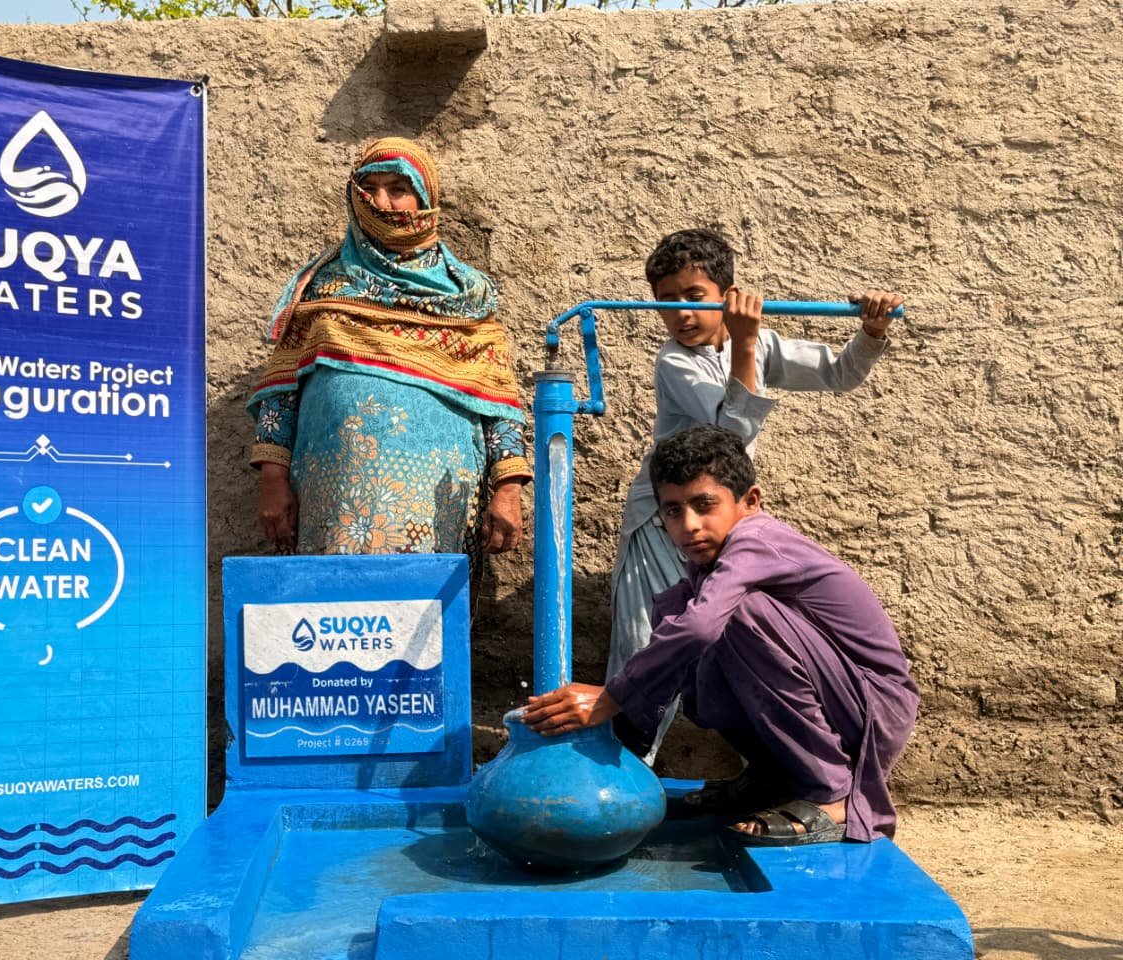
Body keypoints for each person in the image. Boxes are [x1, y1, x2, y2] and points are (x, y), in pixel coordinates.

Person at [525, 425, 919, 846]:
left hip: (871, 707)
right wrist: (623, 732)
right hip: (838, 701)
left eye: (704, 505)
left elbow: (701, 627)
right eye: (673, 511)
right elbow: (686, 636)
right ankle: (774, 777)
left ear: (749, 501)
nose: (689, 526)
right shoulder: (706, 566)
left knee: (730, 616)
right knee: (677, 609)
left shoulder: (756, 539)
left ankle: (833, 794)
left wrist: (613, 695)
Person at [609, 227, 905, 762]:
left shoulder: (761, 344)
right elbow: (727, 435)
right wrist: (745, 343)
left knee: (723, 634)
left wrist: (871, 330)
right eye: (667, 301)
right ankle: (618, 772)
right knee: (650, 644)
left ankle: (774, 769)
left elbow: (839, 373)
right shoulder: (674, 361)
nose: (682, 314)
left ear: (727, 293)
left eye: (694, 296)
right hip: (664, 520)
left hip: (719, 519)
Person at [247, 138, 531, 566]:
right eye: (369, 189)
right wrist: (273, 480)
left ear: (425, 198)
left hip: (436, 503)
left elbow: (498, 399)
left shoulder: (466, 294)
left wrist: (508, 488)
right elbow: (282, 390)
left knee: (424, 603)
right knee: (333, 604)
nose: (381, 202)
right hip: (330, 499)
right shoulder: (324, 285)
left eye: (398, 189)